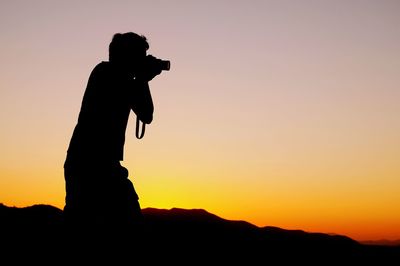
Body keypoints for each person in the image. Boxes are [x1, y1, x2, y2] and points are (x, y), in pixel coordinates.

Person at [63, 32, 162, 233]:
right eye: (139, 56)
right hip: (89, 165)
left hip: (102, 166)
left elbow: (146, 114)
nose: (142, 61)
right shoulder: (105, 73)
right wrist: (142, 78)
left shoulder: (125, 79)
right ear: (127, 56)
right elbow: (137, 104)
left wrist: (142, 78)